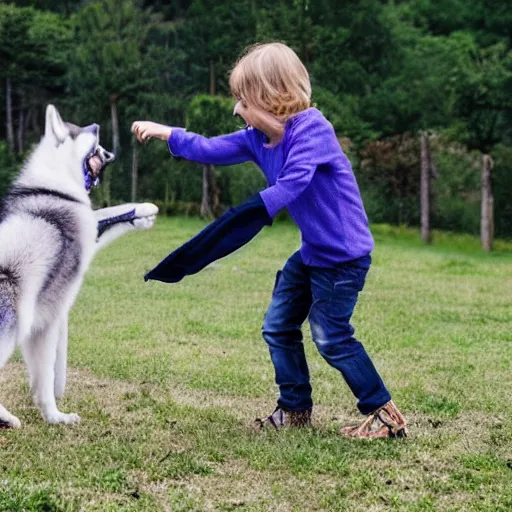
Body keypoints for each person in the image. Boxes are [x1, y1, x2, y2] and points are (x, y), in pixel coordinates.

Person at [131, 42, 408, 438]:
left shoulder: (313, 129)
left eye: (243, 100)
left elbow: (294, 181)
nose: (237, 109)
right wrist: (168, 133)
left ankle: (384, 413)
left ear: (270, 96)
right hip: (312, 253)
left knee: (330, 336)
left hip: (343, 259)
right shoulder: (255, 139)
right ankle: (294, 410)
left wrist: (249, 214)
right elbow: (209, 148)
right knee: (278, 327)